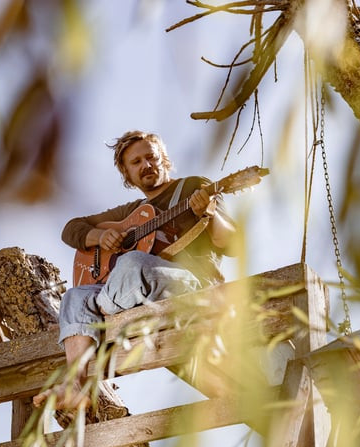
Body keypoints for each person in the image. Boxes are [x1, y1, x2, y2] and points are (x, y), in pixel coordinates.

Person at [33, 130, 236, 410]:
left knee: (131, 264)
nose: (146, 165)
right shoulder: (132, 210)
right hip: (134, 292)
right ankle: (75, 385)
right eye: (136, 162)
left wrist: (209, 214)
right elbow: (71, 230)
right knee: (73, 297)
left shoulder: (195, 187)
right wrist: (99, 237)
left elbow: (232, 243)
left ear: (163, 159)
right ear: (127, 175)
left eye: (151, 157)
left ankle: (96, 313)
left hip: (190, 285)